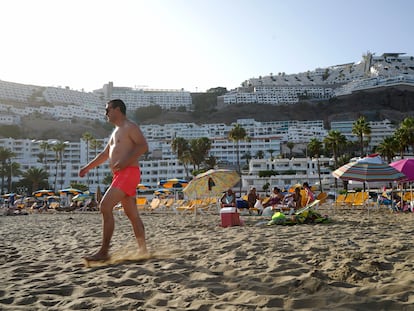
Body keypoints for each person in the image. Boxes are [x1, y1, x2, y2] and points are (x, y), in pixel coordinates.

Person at [79, 99, 149, 261]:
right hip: (121, 175)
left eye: (108, 110)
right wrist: (87, 168)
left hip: (128, 172)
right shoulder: (116, 132)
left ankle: (104, 252)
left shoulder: (130, 127)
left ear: (117, 109)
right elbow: (104, 155)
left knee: (105, 206)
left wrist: (124, 162)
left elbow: (143, 146)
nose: (106, 113)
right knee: (132, 214)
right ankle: (143, 250)